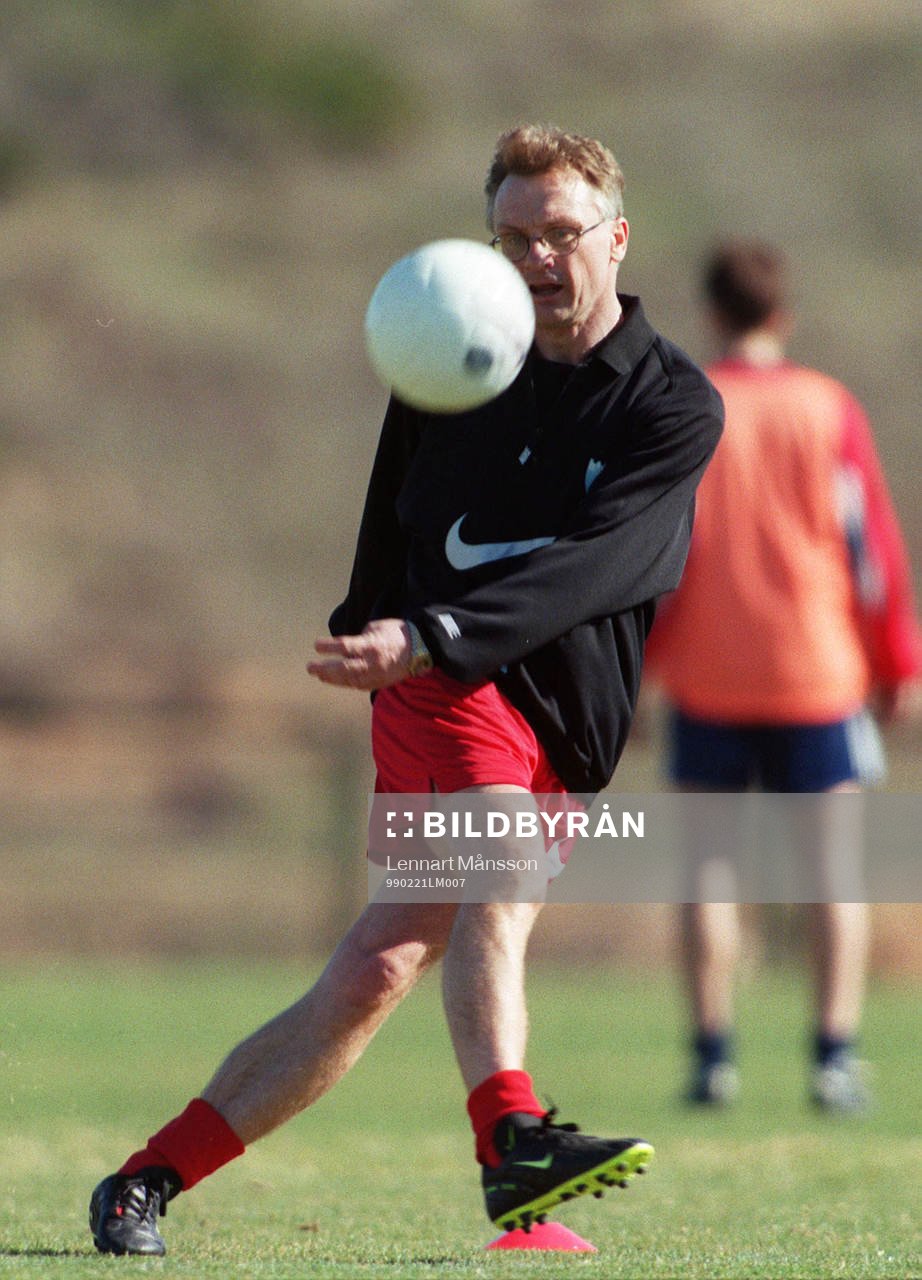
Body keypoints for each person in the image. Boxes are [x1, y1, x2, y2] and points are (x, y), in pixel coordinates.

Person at [88, 124, 723, 1257]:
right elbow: (397, 498)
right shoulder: (458, 344)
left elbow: (606, 562)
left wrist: (423, 629)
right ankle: (514, 1139)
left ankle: (146, 1176)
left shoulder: (671, 403)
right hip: (442, 683)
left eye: (560, 232)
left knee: (377, 967)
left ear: (615, 238)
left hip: (550, 713)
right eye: (513, 234)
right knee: (502, 866)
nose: (535, 256)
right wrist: (382, 624)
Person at [644, 239, 922, 1111]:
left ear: (713, 316)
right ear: (783, 317)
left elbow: (655, 551)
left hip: (707, 673)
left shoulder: (690, 406)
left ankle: (711, 1056)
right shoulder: (826, 406)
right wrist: (898, 661)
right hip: (816, 671)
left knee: (709, 875)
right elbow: (869, 550)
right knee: (832, 875)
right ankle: (833, 1058)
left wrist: (643, 662)